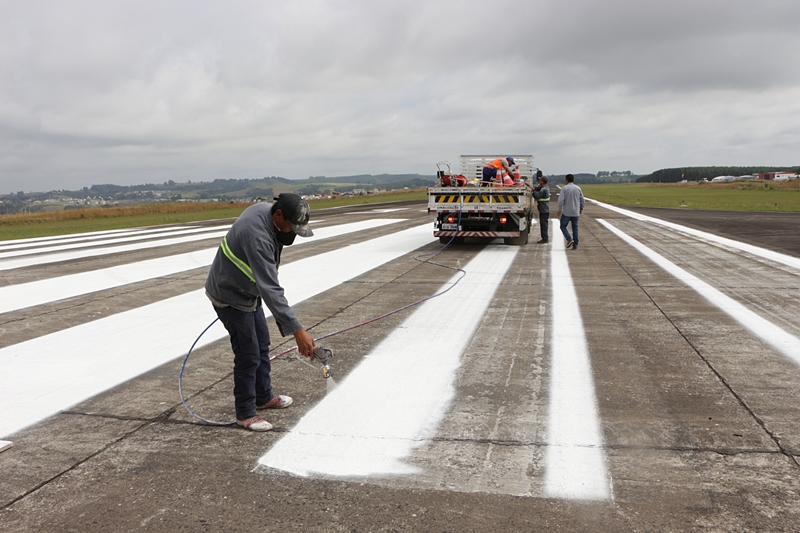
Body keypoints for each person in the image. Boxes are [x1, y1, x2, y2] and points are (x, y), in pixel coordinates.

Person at [205, 193, 316, 431]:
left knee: (261, 344)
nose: (293, 232)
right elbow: (271, 289)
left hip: (247, 291)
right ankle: (245, 414)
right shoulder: (257, 236)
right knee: (248, 354)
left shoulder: (267, 212)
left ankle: (263, 397)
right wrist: (298, 331)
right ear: (278, 214)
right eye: (292, 226)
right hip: (229, 295)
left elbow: (266, 285)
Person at [557, 174, 585, 250]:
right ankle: (575, 244)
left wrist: (559, 210)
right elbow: (582, 199)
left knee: (562, 226)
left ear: (566, 180)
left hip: (567, 212)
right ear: (573, 180)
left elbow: (560, 200)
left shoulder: (564, 188)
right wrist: (581, 208)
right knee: (575, 228)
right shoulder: (578, 188)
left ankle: (569, 238)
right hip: (576, 212)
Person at [531, 172, 550, 243]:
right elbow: (537, 188)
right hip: (544, 209)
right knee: (544, 224)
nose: (539, 181)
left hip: (544, 210)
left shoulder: (544, 190)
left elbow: (537, 196)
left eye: (540, 180)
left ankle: (545, 238)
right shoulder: (544, 187)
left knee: (543, 224)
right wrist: (533, 187)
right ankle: (545, 237)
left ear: (542, 181)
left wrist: (532, 190)